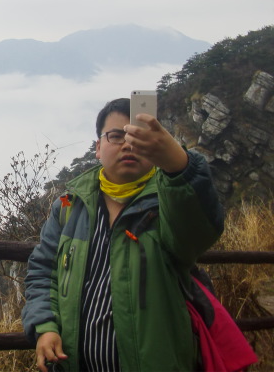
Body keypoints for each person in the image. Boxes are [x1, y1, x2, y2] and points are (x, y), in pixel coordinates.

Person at [21, 98, 224, 372]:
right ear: (98, 147)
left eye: (137, 138)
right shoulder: (69, 205)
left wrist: (180, 166)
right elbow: (43, 271)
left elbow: (198, 232)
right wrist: (45, 326)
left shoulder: (170, 202)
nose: (128, 145)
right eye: (116, 136)